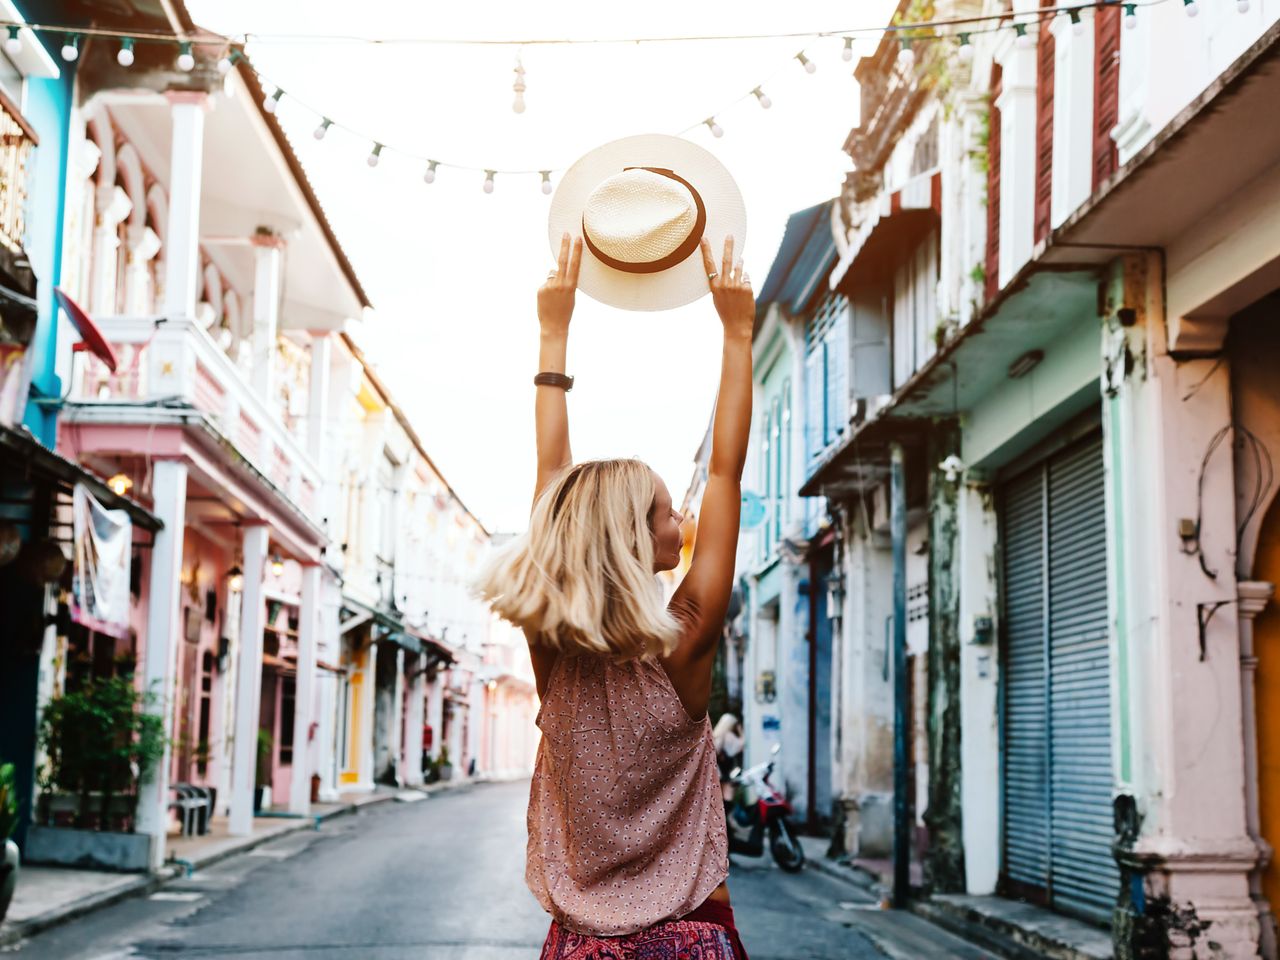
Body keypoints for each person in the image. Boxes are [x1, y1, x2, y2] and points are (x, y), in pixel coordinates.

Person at [477, 185, 754, 957]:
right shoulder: (685, 642)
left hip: (581, 947)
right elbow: (727, 472)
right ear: (636, 539)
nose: (684, 521)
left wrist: (552, 333)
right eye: (669, 512)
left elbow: (551, 478)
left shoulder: (552, 652)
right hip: (691, 939)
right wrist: (737, 333)